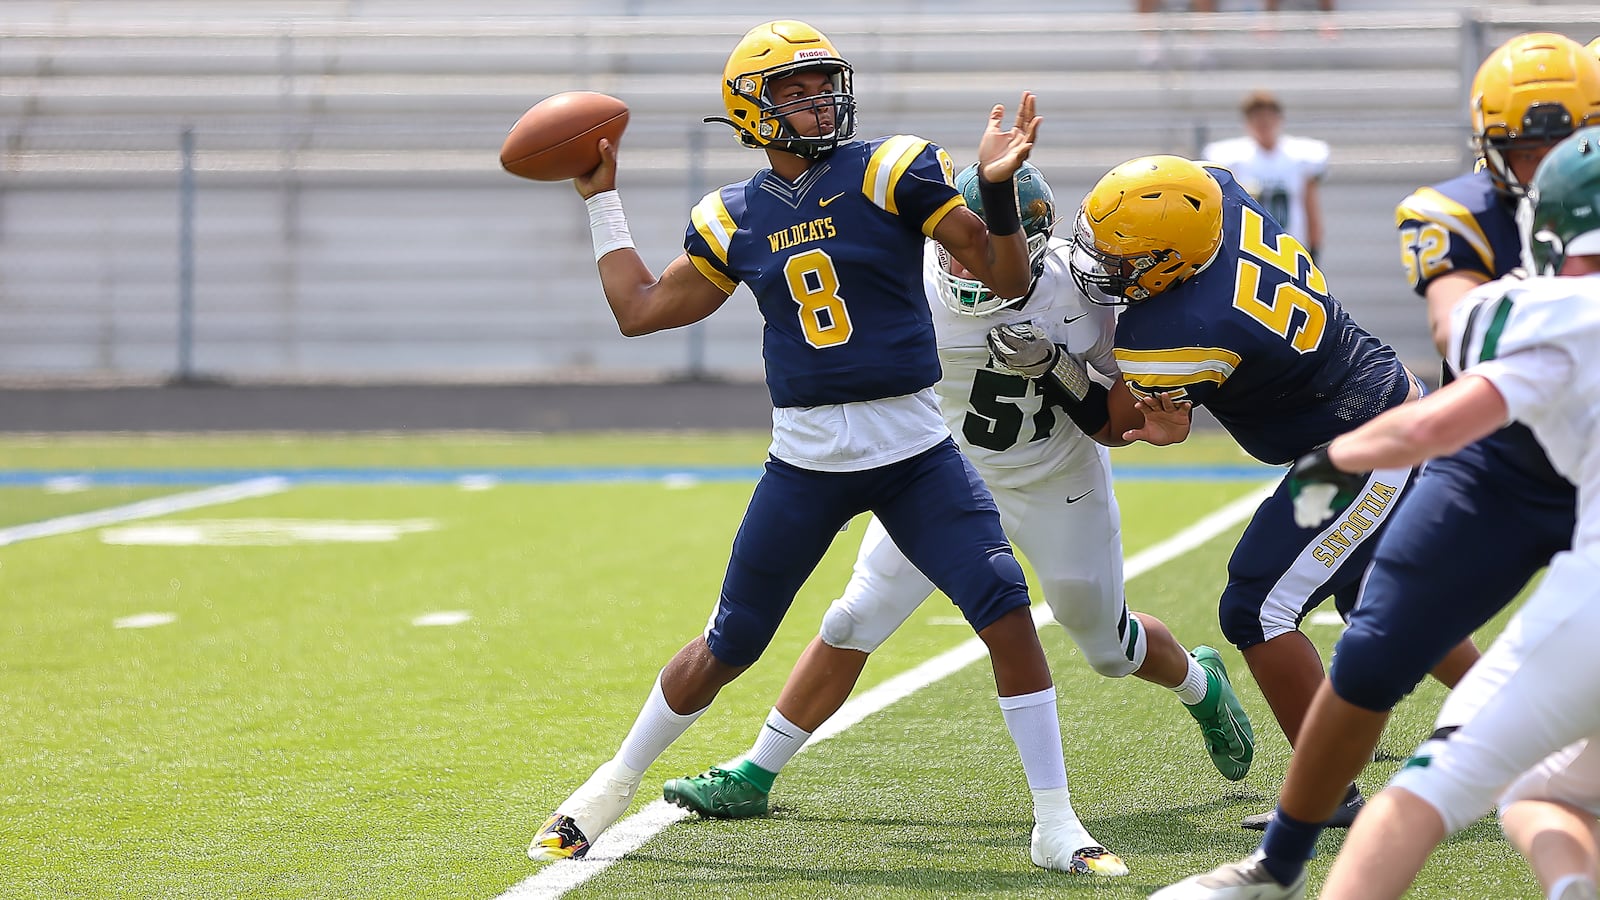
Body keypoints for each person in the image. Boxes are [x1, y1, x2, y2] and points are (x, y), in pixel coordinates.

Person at [526, 19, 1068, 866]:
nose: (819, 101)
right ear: (751, 108)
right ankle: (608, 787)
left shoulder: (892, 168)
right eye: (795, 89)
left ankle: (1057, 824)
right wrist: (601, 197)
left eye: (825, 84)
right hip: (806, 459)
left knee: (1003, 605)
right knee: (728, 642)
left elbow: (1004, 278)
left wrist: (995, 192)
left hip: (914, 448)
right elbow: (638, 312)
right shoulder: (731, 214)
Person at [658, 162, 1256, 877]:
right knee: (855, 618)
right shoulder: (900, 270)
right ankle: (756, 771)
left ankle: (1200, 683)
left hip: (1052, 476)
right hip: (936, 474)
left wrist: (1058, 367)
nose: (965, 259)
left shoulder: (1073, 291)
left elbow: (1120, 420)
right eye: (953, 243)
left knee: (1104, 645)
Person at [1149, 30, 1600, 900]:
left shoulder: (1538, 308)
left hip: (1496, 418)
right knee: (1377, 640)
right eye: (1525, 150)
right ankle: (1284, 860)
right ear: (1490, 150)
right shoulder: (1455, 213)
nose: (1545, 171)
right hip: (1500, 465)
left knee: (1457, 748)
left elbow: (1467, 356)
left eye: (1565, 142)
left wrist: (1343, 456)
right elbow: (1454, 332)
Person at [1032, 151, 1479, 833]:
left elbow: (1133, 427)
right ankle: (1520, 721)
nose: (1103, 265)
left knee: (1257, 607)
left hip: (1364, 445)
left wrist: (1058, 366)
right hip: (1378, 402)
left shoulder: (1175, 335)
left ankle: (1328, 792)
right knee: (1380, 596)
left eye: (1125, 259)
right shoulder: (1219, 199)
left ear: (1172, 263)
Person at [1289, 124, 1600, 900]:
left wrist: (1335, 458)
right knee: (1545, 791)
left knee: (1425, 793)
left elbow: (1434, 420)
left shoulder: (1556, 311)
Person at [1202, 91, 1329, 260]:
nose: (1264, 123)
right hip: (1247, 249)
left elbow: (1310, 206)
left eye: (1268, 116)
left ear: (1279, 119)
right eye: (1257, 117)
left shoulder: (1299, 159)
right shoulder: (1234, 160)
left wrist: (1314, 248)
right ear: (1247, 122)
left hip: (1291, 247)